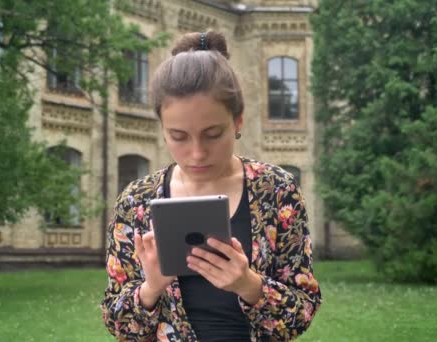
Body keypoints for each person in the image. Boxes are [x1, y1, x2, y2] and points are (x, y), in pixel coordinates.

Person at [101, 31, 322, 341]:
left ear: (238, 121)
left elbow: (302, 312)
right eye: (178, 136)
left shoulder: (276, 191)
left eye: (213, 134)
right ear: (162, 129)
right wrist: (151, 288)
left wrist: (249, 285)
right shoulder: (136, 202)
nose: (197, 153)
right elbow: (118, 324)